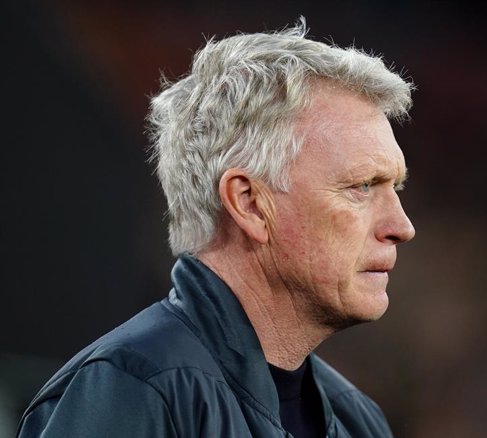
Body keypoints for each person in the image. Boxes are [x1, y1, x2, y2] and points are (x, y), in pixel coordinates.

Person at [16, 18, 415, 438]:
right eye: (362, 186)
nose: (401, 226)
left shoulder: (359, 420)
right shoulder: (134, 389)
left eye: (396, 186)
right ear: (249, 204)